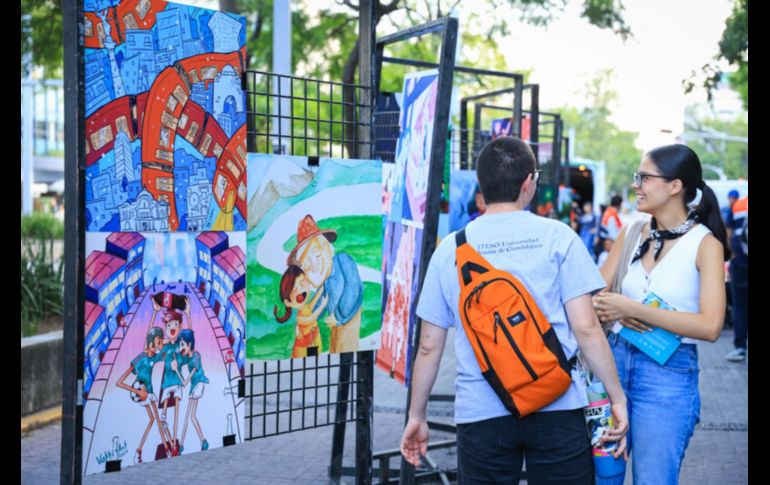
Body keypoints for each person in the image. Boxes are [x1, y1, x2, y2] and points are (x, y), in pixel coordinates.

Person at [400, 137, 628, 483]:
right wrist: (616, 398)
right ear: (528, 183)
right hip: (557, 401)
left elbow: (430, 346)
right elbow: (586, 328)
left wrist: (417, 415)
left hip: (481, 408)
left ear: (482, 186)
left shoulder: (450, 249)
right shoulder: (558, 237)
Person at [593, 144, 729, 484]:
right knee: (602, 477)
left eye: (645, 177)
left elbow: (711, 325)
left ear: (675, 186)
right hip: (613, 367)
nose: (636, 185)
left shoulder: (705, 245)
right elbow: (594, 295)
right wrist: (610, 307)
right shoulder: (631, 232)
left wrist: (632, 309)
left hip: (667, 376)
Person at [287, 215, 363, 353]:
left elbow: (353, 288)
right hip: (335, 323)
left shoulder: (342, 260)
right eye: (307, 266)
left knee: (346, 349)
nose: (314, 266)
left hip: (348, 319)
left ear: (327, 248)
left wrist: (339, 316)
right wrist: (303, 324)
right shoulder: (326, 281)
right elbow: (320, 302)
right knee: (335, 348)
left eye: (316, 255)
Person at [273, 265, 328, 357]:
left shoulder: (305, 308)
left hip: (312, 344)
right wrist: (323, 305)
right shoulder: (299, 318)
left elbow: (311, 306)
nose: (302, 289)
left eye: (303, 282)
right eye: (296, 289)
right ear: (288, 303)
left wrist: (320, 291)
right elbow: (312, 318)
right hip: (303, 351)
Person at [725, 195, 748, 362]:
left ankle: (740, 348)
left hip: (740, 264)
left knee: (740, 306)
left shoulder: (739, 205)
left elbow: (729, 234)